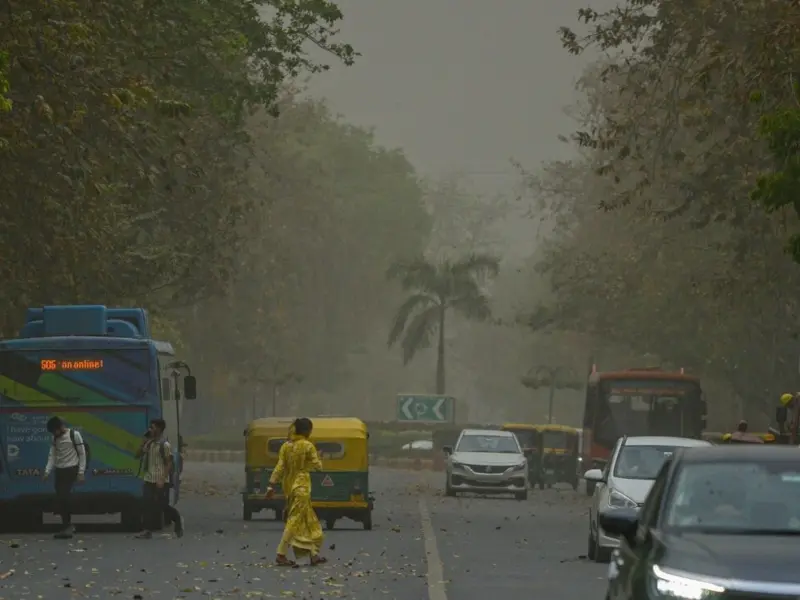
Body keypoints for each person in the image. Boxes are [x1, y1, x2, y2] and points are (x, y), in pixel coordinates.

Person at [266, 417, 327, 566]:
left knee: (308, 521)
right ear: (307, 431)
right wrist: (320, 457)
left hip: (289, 488)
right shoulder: (308, 446)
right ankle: (281, 554)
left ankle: (314, 555)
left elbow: (280, 467)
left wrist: (271, 485)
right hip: (302, 488)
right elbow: (318, 467)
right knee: (294, 521)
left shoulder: (286, 446)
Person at [135, 419, 184, 539]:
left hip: (160, 480)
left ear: (159, 429)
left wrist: (162, 478)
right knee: (146, 504)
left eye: (153, 427)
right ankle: (147, 531)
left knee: (161, 506)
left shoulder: (164, 445)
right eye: (150, 427)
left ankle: (177, 519)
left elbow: (169, 463)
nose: (150, 430)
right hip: (149, 478)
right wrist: (143, 444)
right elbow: (137, 455)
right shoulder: (149, 443)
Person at [43, 416, 86, 538]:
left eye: (55, 431)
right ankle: (66, 526)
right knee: (60, 499)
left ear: (60, 427)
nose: (55, 434)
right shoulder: (55, 438)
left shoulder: (74, 434)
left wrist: (81, 472)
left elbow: (82, 454)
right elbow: (52, 455)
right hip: (59, 470)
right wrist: (47, 471)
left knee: (64, 496)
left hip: (71, 469)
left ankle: (69, 526)